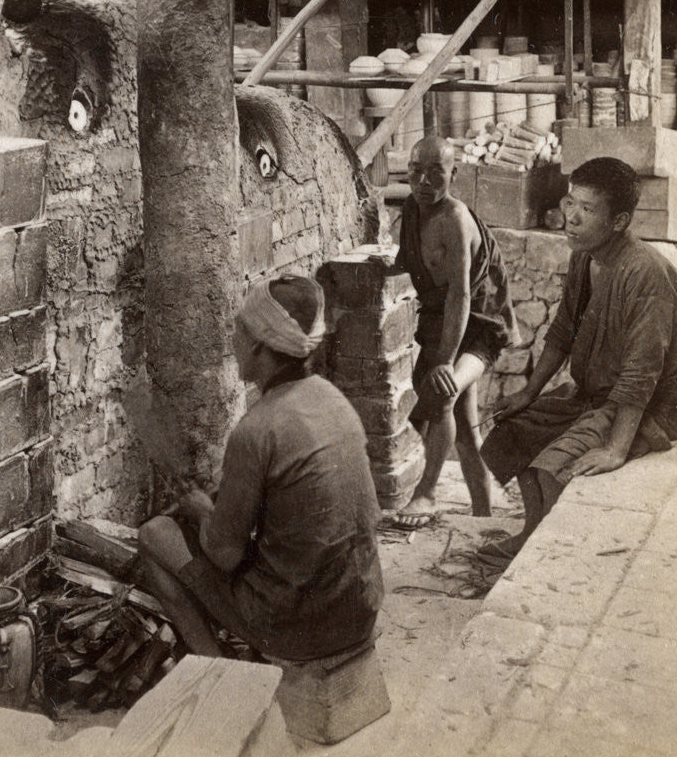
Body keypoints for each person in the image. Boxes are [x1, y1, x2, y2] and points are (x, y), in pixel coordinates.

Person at [138, 275, 384, 661]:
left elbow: (225, 555)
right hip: (359, 612)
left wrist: (202, 511)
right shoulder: (335, 401)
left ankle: (219, 668)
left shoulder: (256, 429)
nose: (232, 342)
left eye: (239, 330)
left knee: (155, 535)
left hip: (302, 633)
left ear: (257, 344)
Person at [477, 156, 677, 569]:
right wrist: (528, 392)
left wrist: (616, 448)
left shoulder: (645, 274)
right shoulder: (585, 256)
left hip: (645, 406)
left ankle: (547, 557)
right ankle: (532, 534)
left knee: (552, 468)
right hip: (593, 395)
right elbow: (563, 330)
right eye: (571, 202)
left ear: (619, 221)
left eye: (587, 209)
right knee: (514, 433)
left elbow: (642, 372)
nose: (572, 218)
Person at [393, 136, 518, 524]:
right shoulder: (412, 210)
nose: (424, 181)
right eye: (416, 171)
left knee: (443, 391)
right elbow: (405, 263)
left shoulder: (455, 219)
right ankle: (483, 516)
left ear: (454, 174)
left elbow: (461, 295)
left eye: (436, 172)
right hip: (445, 324)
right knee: (464, 431)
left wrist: (445, 360)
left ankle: (427, 494)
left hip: (480, 326)